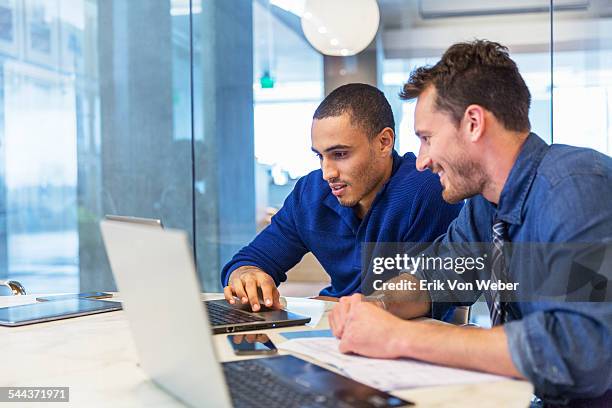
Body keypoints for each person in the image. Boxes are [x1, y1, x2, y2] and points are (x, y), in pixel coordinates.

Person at [329, 40, 612, 405]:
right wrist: (375, 307)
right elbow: (436, 277)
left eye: (427, 138)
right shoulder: (485, 205)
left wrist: (399, 337)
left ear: (474, 123)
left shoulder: (575, 189)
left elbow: (583, 352)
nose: (421, 161)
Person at [221, 83, 462, 311]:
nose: (327, 173)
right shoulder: (311, 192)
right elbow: (251, 258)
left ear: (384, 142)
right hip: (334, 330)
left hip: (405, 339)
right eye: (320, 156)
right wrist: (246, 275)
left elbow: (427, 291)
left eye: (340, 154)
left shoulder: (427, 189)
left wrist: (331, 304)